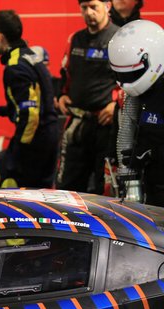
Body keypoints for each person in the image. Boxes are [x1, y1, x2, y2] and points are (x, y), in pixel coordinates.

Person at [0, 10, 58, 188]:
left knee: (17, 197)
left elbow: (30, 114)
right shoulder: (30, 55)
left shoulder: (15, 67)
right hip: (49, 136)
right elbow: (37, 103)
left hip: (36, 142)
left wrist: (16, 153)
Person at [56, 0, 120, 194]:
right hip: (77, 125)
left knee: (107, 190)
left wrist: (116, 104)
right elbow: (65, 73)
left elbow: (131, 80)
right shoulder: (74, 39)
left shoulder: (119, 38)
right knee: (68, 189)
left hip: (106, 127)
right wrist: (61, 95)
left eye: (94, 7)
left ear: (107, 6)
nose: (89, 12)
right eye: (84, 8)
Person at [108, 19, 164, 204]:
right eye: (120, 74)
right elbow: (124, 135)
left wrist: (155, 153)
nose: (125, 82)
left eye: (131, 74)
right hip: (151, 191)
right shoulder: (133, 97)